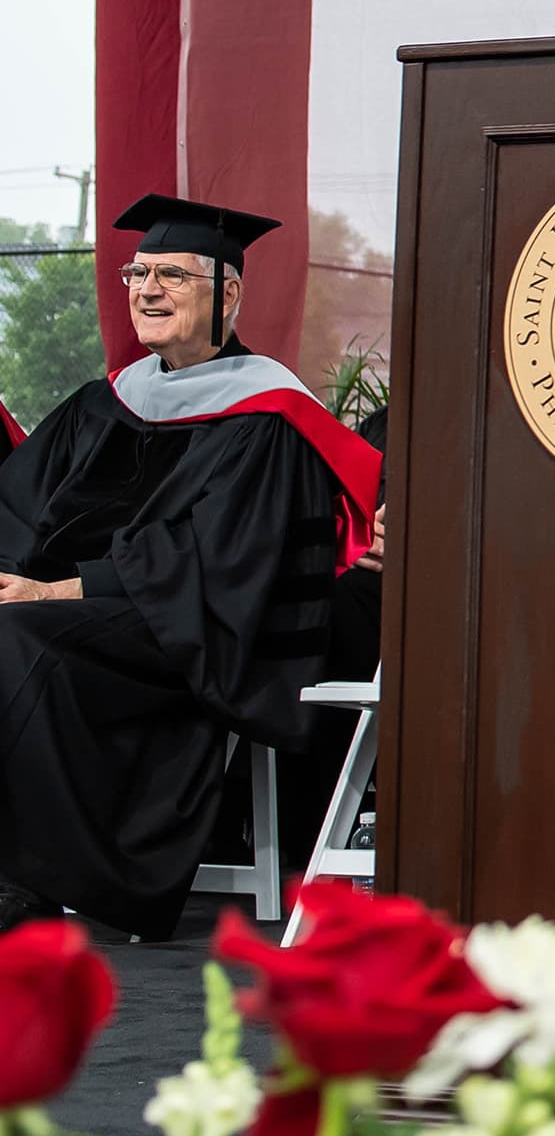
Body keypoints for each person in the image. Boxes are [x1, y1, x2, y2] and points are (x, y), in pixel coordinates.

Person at [0, 196, 381, 935]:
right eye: (137, 273)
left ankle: (26, 881)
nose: (147, 289)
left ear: (228, 295)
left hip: (196, 629)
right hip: (92, 611)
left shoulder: (268, 416)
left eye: (172, 274)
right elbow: (20, 505)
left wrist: (60, 589)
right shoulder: (102, 402)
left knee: (18, 641)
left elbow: (227, 558)